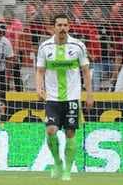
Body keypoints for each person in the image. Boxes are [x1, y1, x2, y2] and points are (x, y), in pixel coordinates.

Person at [36, 14, 93, 181]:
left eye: (65, 25)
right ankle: (57, 162)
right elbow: (39, 71)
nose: (62, 28)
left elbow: (85, 71)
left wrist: (89, 94)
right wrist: (39, 89)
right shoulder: (44, 47)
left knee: (70, 132)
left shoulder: (78, 46)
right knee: (51, 130)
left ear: (69, 27)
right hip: (52, 98)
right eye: (59, 25)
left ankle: (68, 170)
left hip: (72, 97)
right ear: (53, 27)